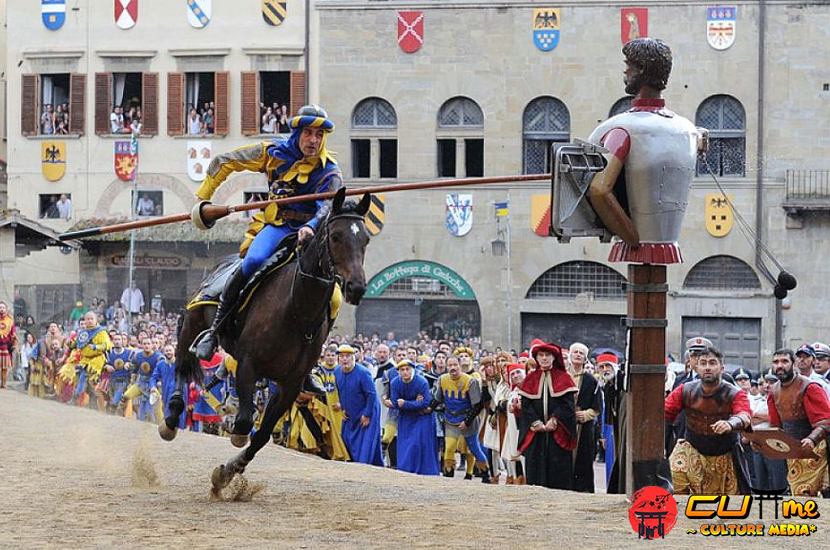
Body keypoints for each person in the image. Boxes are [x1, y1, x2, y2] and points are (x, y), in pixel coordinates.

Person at [190, 105, 341, 399]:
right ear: (298, 133)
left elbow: (327, 207)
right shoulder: (271, 153)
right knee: (254, 261)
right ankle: (215, 331)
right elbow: (226, 161)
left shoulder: (330, 171)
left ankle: (308, 365)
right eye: (309, 133)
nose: (314, 140)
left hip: (310, 237)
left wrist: (310, 226)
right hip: (276, 227)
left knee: (333, 297)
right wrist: (203, 199)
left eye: (319, 135)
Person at [585, 37, 702, 264]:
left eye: (629, 65)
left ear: (642, 70)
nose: (625, 71)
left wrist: (630, 236)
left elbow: (599, 189)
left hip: (638, 241)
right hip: (668, 239)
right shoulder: (687, 129)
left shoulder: (622, 129)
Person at [664, 346, 752, 495]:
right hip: (692, 448)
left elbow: (745, 415)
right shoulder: (684, 390)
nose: (707, 368)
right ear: (696, 367)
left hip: (725, 451)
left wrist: (730, 423)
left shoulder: (734, 393)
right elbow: (665, 413)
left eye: (712, 363)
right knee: (675, 478)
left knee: (729, 501)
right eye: (703, 363)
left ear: (722, 368)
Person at [767, 348, 830, 497]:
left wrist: (811, 439)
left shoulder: (810, 387)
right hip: (791, 450)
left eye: (784, 361)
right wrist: (762, 442)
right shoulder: (773, 391)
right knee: (797, 495)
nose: (780, 366)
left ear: (793, 364)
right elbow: (775, 426)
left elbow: (826, 420)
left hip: (814, 450)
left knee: (811, 495)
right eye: (776, 362)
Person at [431, 354, 491, 482]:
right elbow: (437, 399)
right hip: (450, 419)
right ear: (447, 366)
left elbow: (477, 405)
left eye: (455, 365)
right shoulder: (442, 380)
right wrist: (427, 408)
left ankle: (486, 474)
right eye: (450, 365)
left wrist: (467, 421)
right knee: (449, 447)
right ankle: (448, 475)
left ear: (459, 366)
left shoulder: (470, 381)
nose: (453, 368)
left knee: (474, 448)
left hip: (468, 419)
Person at [334, 344, 383, 466]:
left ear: (353, 358)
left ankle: (363, 469)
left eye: (348, 356)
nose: (345, 359)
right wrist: (343, 408)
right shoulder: (337, 372)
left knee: (365, 444)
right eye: (342, 356)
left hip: (368, 410)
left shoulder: (363, 373)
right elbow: (341, 391)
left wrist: (367, 414)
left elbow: (371, 395)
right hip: (351, 412)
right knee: (347, 438)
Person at [390, 359, 439, 475]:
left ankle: (425, 470)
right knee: (405, 444)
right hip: (405, 417)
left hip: (422, 416)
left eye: (407, 369)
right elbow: (395, 402)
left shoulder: (422, 382)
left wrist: (406, 404)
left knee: (419, 443)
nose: (405, 372)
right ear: (398, 372)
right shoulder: (395, 383)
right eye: (402, 370)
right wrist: (413, 403)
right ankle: (405, 469)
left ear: (413, 370)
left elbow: (426, 403)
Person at [568, 342, 602, 493]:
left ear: (585, 358)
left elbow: (597, 407)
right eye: (575, 352)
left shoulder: (591, 380)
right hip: (565, 425)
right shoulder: (562, 377)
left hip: (584, 427)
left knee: (584, 459)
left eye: (581, 353)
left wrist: (586, 414)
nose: (577, 355)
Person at [71, 312, 113, 409]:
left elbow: (107, 345)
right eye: (88, 319)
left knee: (84, 376)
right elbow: (77, 342)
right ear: (85, 321)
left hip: (96, 360)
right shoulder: (83, 332)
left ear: (96, 320)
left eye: (91, 319)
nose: (89, 321)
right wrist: (71, 344)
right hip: (84, 359)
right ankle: (93, 398)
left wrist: (96, 347)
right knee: (85, 380)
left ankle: (75, 398)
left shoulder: (101, 332)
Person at [501, 363, 527, 485]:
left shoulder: (529, 390)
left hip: (526, 430)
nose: (515, 376)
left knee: (524, 457)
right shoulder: (513, 392)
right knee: (516, 457)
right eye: (512, 374)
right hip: (513, 429)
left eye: (518, 372)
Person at [150, 344, 185, 429]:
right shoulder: (160, 365)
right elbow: (154, 377)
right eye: (167, 351)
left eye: (170, 350)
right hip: (166, 393)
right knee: (167, 414)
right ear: (163, 352)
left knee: (180, 415)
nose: (168, 352)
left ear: (174, 351)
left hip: (180, 393)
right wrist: (153, 386)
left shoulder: (180, 363)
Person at [104, 333, 133, 415]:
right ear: (113, 341)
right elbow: (103, 365)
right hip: (111, 381)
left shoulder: (129, 353)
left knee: (116, 400)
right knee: (111, 399)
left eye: (119, 339)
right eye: (115, 339)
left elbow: (135, 365)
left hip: (124, 380)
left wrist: (129, 364)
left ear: (123, 341)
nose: (117, 342)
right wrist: (107, 367)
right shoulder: (109, 354)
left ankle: (112, 411)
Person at [0, 302, 17, 389]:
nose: (1, 309)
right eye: (0, 308)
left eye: (3, 307)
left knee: (4, 366)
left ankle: (4, 383)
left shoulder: (10, 321)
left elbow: (13, 334)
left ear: (6, 309)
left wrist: (14, 343)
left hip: (5, 346)